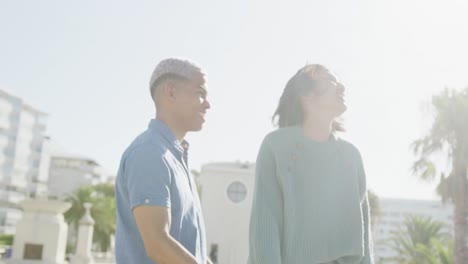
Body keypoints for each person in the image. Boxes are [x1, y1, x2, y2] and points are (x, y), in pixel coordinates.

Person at [248, 64, 374, 264]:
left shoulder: (352, 156)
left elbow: (365, 239)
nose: (341, 88)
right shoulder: (275, 146)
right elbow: (265, 228)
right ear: (307, 96)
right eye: (331, 82)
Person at [115, 58, 212, 264]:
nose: (208, 104)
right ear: (171, 92)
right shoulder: (149, 153)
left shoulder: (174, 158)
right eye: (200, 94)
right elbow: (158, 245)